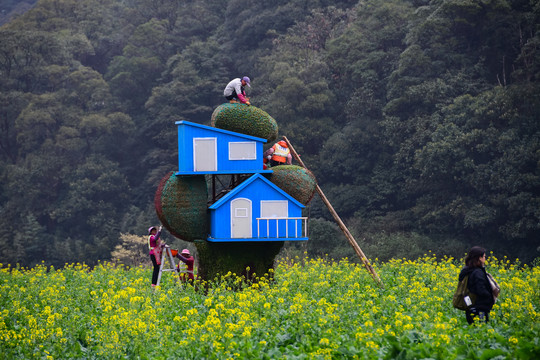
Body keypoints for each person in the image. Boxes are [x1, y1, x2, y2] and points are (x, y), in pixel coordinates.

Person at [458, 246, 495, 324]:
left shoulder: (467, 271)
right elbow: (480, 289)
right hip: (479, 308)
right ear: (479, 258)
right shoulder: (477, 272)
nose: (485, 259)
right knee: (481, 332)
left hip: (470, 308)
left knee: (474, 333)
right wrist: (490, 297)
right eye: (484, 256)